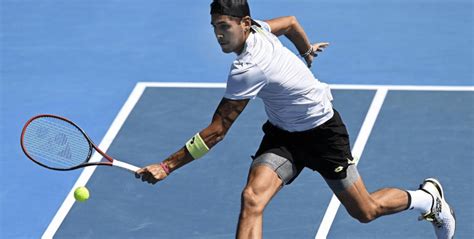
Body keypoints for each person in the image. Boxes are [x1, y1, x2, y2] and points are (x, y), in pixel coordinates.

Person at [135, 0, 456, 238]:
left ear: (244, 23)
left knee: (366, 211)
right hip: (283, 134)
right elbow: (289, 22)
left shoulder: (247, 69)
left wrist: (166, 166)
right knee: (252, 198)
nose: (219, 35)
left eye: (224, 28)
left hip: (322, 133)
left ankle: (427, 200)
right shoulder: (258, 28)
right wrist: (306, 53)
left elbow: (217, 131)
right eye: (215, 28)